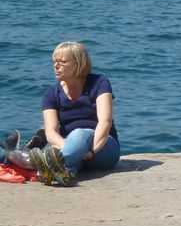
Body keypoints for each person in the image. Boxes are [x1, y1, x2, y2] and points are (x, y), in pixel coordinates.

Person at [28, 41, 120, 186]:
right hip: (72, 148)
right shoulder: (51, 93)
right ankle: (63, 173)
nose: (56, 66)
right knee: (68, 159)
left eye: (62, 62)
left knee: (80, 133)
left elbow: (105, 121)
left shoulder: (99, 82)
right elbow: (51, 132)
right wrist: (75, 149)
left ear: (78, 64)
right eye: (55, 61)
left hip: (102, 148)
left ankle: (51, 165)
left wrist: (91, 151)